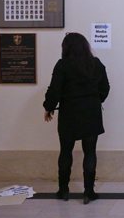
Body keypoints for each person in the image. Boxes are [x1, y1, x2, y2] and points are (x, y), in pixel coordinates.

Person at [43, 32, 110, 204]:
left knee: (65, 152)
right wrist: (95, 100)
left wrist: (48, 108)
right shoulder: (95, 64)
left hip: (69, 114)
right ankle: (89, 192)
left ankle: (63, 190)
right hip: (91, 113)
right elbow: (105, 88)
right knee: (90, 152)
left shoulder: (62, 65)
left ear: (67, 48)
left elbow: (54, 90)